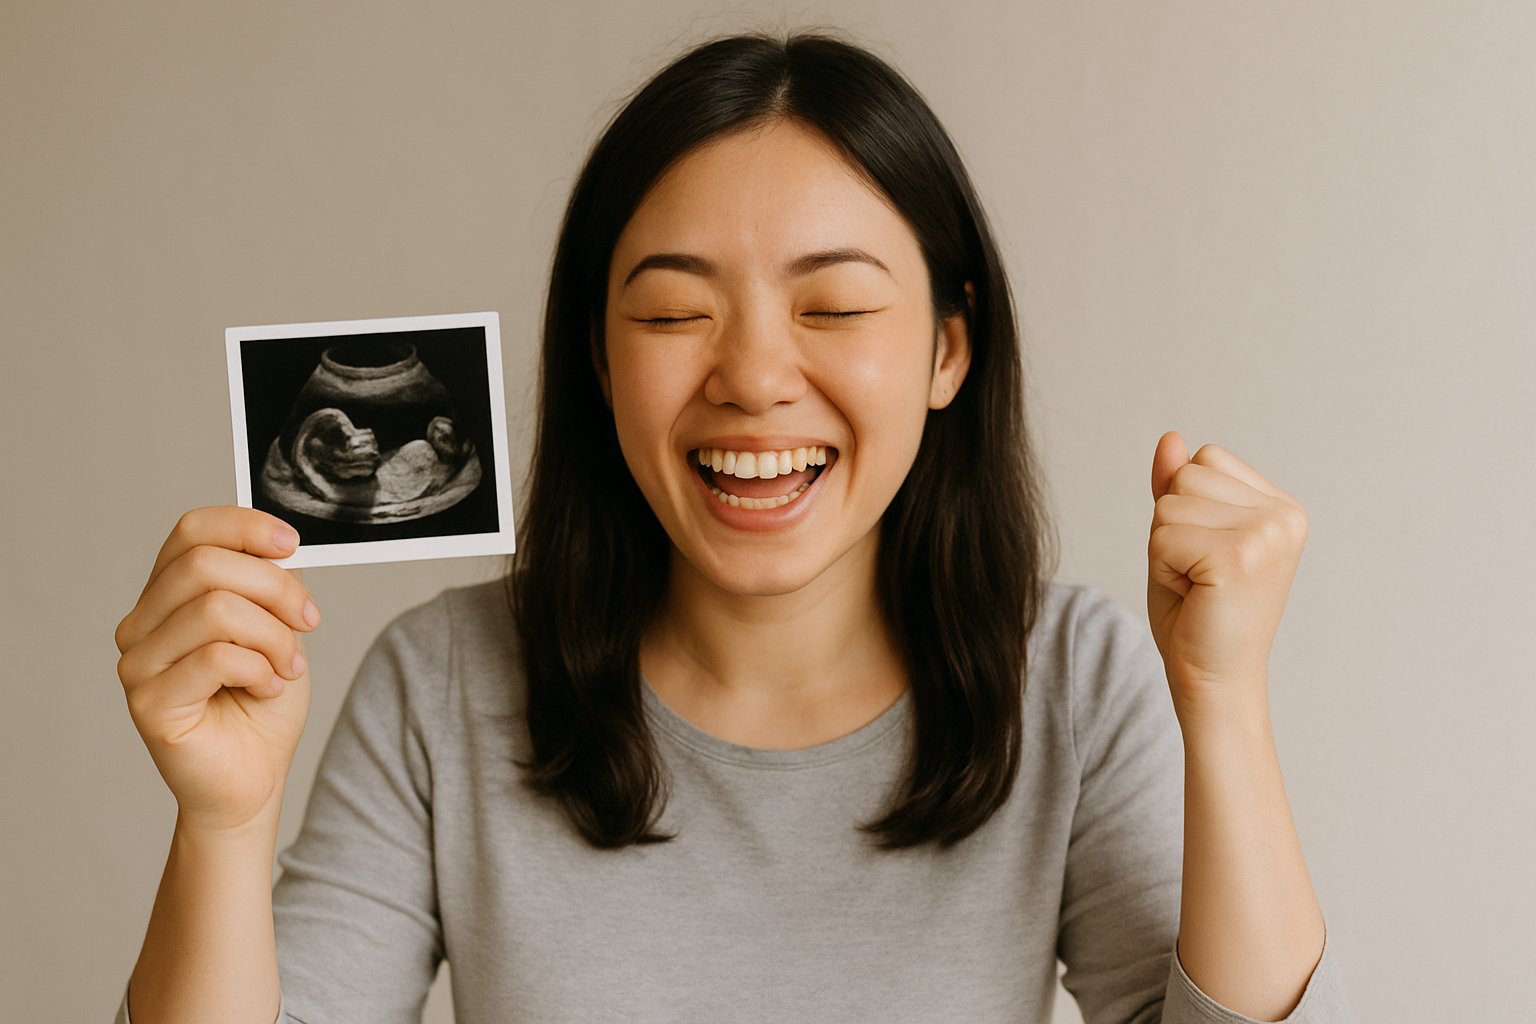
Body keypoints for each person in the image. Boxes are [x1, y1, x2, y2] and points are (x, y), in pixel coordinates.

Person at [112, 32, 1354, 1024]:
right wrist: (224, 824)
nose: (754, 378)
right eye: (672, 315)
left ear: (947, 348)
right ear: (600, 357)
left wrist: (1226, 705)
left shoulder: (1073, 679)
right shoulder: (439, 682)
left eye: (835, 306)